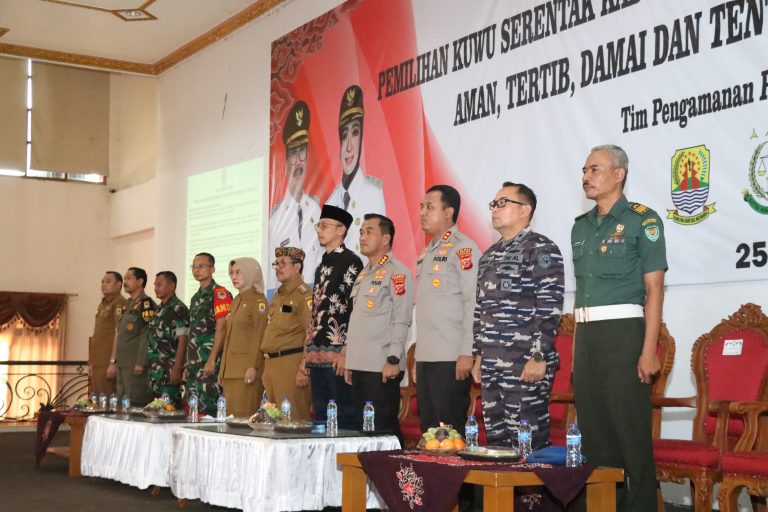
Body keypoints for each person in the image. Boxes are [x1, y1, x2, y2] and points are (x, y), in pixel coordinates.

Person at [572, 144, 667, 512]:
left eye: (594, 169)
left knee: (631, 436)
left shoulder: (643, 220)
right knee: (594, 437)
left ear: (618, 174)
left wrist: (648, 351)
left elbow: (654, 289)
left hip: (624, 335)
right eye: (584, 170)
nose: (586, 176)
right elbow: (581, 295)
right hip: (587, 338)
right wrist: (578, 355)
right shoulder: (580, 227)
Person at [471, 182, 564, 448]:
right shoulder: (488, 256)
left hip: (524, 363)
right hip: (491, 363)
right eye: (493, 204)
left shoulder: (540, 248)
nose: (495, 209)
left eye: (503, 203)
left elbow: (549, 308)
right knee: (497, 444)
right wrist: (479, 355)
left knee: (527, 442)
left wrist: (539, 356)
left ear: (525, 210)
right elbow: (480, 309)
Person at [415, 185, 479, 435]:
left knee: (449, 434)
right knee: (429, 433)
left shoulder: (463, 248)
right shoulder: (426, 252)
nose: (422, 212)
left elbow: (472, 301)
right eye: (421, 207)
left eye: (429, 207)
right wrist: (419, 357)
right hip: (427, 357)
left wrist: (467, 352)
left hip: (451, 357)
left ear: (448, 212)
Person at [345, 214, 413, 437]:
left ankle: (396, 462)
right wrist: (350, 361)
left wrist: (393, 359)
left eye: (369, 232)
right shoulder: (364, 273)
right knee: (364, 433)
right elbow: (359, 320)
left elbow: (401, 319)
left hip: (381, 366)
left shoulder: (397, 272)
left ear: (386, 238)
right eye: (361, 232)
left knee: (383, 431)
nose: (362, 237)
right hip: (360, 365)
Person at [304, 204, 363, 429]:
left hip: (338, 353)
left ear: (341, 230)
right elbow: (316, 311)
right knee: (321, 417)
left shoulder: (351, 261)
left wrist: (346, 352)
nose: (319, 230)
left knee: (343, 417)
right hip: (317, 354)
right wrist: (307, 353)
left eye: (324, 226)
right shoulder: (321, 265)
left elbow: (354, 309)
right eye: (318, 226)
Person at [326, 85, 386, 256]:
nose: (349, 146)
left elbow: (381, 251)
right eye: (344, 135)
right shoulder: (331, 201)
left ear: (361, 139)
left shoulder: (373, 193)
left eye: (355, 133)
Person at [268, 100, 322, 289]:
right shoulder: (275, 219)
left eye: (302, 152)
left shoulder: (316, 211)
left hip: (314, 295)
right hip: (287, 297)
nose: (298, 162)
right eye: (293, 154)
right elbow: (272, 271)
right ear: (285, 162)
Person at [261, 247, 313, 421]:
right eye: (276, 263)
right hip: (272, 365)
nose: (278, 267)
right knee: (274, 421)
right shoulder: (277, 295)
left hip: (291, 364)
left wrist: (303, 368)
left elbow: (310, 331)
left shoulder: (303, 295)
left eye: (283, 263)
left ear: (297, 266)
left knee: (292, 420)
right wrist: (266, 369)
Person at [218, 258, 268, 417]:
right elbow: (229, 338)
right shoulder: (236, 300)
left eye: (238, 272)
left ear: (251, 273)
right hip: (231, 372)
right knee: (229, 420)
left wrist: (253, 366)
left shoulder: (258, 301)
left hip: (246, 371)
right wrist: (222, 370)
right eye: (231, 273)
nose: (234, 277)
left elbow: (259, 335)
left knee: (243, 420)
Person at [186, 252, 233, 414]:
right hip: (194, 363)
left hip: (210, 361)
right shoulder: (195, 297)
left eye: (201, 266)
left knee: (209, 411)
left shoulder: (220, 294)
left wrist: (212, 359)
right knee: (193, 410)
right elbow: (192, 332)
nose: (196, 270)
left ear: (212, 269)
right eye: (194, 266)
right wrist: (188, 363)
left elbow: (222, 328)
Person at [106, 267, 156, 406]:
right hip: (122, 362)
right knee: (122, 403)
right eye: (124, 278)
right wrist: (113, 361)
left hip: (135, 363)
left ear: (140, 281)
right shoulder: (127, 304)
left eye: (129, 278)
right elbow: (119, 333)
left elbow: (148, 333)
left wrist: (141, 361)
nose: (125, 282)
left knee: (135, 402)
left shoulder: (146, 304)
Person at [146, 271, 189, 405]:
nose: (156, 288)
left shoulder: (178, 308)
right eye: (155, 285)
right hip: (155, 372)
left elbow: (183, 340)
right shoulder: (159, 309)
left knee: (169, 410)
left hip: (169, 371)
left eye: (160, 284)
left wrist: (177, 368)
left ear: (172, 286)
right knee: (154, 410)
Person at [88, 271, 126, 396]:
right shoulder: (103, 303)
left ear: (119, 284)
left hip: (107, 360)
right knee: (98, 397)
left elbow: (118, 332)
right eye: (102, 282)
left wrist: (113, 362)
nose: (104, 284)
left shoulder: (119, 303)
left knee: (107, 399)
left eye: (108, 281)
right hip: (98, 359)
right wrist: (91, 361)